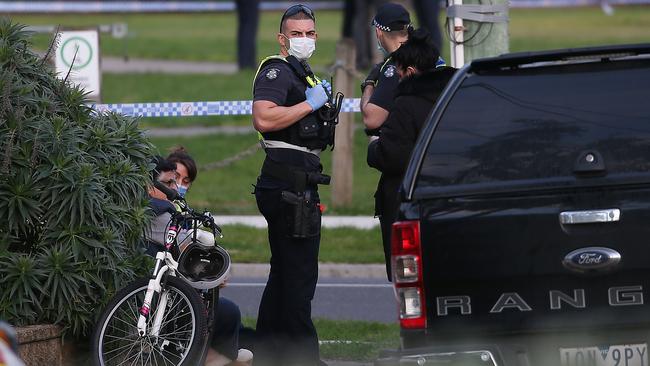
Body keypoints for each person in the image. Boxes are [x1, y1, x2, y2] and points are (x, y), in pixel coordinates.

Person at [251, 4, 334, 365]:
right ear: (282, 39)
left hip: (296, 182)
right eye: (297, 34)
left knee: (284, 273)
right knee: (299, 278)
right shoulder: (276, 70)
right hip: (288, 186)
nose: (304, 39)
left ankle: (265, 350)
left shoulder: (302, 72)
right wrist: (309, 105)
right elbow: (263, 116)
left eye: (310, 33)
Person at [145, 155, 253, 366]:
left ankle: (220, 356)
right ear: (149, 185)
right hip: (161, 296)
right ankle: (215, 358)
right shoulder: (156, 212)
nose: (175, 189)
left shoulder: (162, 208)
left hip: (166, 290)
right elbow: (192, 243)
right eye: (169, 183)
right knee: (227, 311)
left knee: (225, 312)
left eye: (183, 182)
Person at [367, 29, 456, 280]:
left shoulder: (407, 103)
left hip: (410, 205)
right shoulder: (455, 96)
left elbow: (392, 156)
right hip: (450, 202)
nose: (396, 75)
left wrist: (374, 146)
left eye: (398, 70)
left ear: (411, 71)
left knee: (410, 281)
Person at [360, 3, 413, 133]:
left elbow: (371, 119)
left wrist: (369, 83)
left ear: (378, 32)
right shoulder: (427, 54)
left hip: (408, 146)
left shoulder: (394, 66)